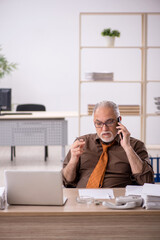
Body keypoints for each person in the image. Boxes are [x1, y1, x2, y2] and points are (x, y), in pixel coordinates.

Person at [62, 101, 154, 188]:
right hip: (82, 200)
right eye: (99, 123)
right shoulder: (81, 142)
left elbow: (147, 182)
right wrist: (73, 161)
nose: (104, 128)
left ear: (119, 120)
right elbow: (66, 181)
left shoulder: (135, 145)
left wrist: (128, 148)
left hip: (117, 201)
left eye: (109, 122)